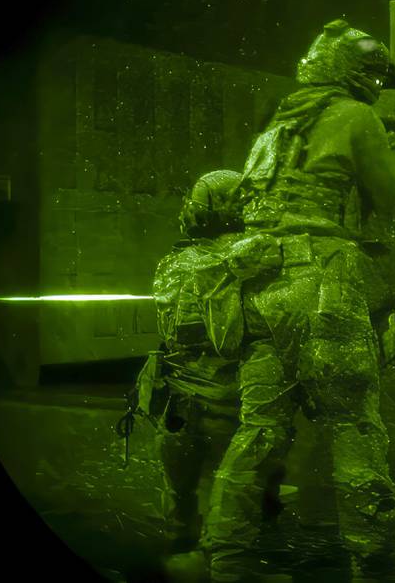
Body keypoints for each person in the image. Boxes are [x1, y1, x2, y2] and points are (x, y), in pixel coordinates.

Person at [200, 19, 395, 582]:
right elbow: (392, 192)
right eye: (375, 77)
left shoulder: (278, 127)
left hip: (260, 284)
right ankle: (374, 561)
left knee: (260, 424)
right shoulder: (355, 115)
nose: (378, 86)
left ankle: (228, 559)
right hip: (320, 279)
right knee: (353, 421)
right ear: (357, 76)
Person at [132, 169, 283, 578]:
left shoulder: (173, 262)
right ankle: (228, 568)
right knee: (237, 493)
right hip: (227, 404)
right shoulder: (247, 258)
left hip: (177, 405)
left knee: (179, 497)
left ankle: (182, 560)